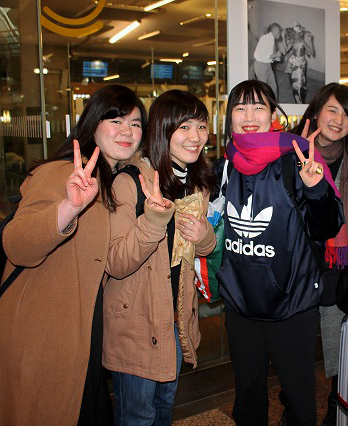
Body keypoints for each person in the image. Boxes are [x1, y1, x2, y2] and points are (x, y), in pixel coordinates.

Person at [0, 84, 147, 425]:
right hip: (42, 331)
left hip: (80, 328)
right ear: (92, 125)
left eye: (135, 123)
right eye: (116, 120)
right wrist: (68, 208)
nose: (127, 131)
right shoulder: (60, 173)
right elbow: (18, 245)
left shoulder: (111, 177)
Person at [217, 79, 343, 426]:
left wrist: (316, 189)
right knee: (247, 396)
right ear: (229, 117)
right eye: (240, 108)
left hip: (292, 306)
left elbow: (326, 228)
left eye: (258, 107)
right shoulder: (224, 166)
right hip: (241, 305)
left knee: (300, 398)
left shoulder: (296, 160)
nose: (249, 116)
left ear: (273, 113)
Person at [103, 90, 216, 425]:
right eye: (184, 127)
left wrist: (204, 235)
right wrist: (152, 220)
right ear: (162, 131)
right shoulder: (130, 182)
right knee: (138, 416)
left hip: (174, 320)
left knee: (164, 408)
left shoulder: (196, 183)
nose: (195, 137)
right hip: (136, 324)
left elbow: (203, 248)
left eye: (201, 126)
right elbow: (116, 262)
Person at [291, 83, 348, 426]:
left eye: (347, 114)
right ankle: (294, 407)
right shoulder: (291, 151)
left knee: (341, 342)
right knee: (295, 346)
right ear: (316, 112)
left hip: (341, 263)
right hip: (298, 266)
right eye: (333, 110)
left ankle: (336, 408)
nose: (339, 119)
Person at [284, 22, 316, 104]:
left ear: (301, 33)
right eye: (295, 33)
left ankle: (300, 101)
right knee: (295, 82)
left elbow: (312, 53)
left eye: (298, 33)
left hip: (300, 64)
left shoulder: (302, 42)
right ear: (293, 33)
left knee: (300, 82)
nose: (296, 35)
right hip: (294, 62)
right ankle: (298, 100)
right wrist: (284, 38)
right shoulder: (292, 41)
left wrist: (310, 40)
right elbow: (286, 50)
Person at [253, 23, 283, 99]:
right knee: (263, 90)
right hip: (261, 66)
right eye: (279, 31)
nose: (280, 34)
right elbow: (265, 56)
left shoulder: (270, 38)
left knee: (273, 87)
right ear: (274, 30)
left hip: (267, 66)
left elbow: (269, 56)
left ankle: (274, 104)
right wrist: (276, 55)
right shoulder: (267, 39)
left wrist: (276, 57)